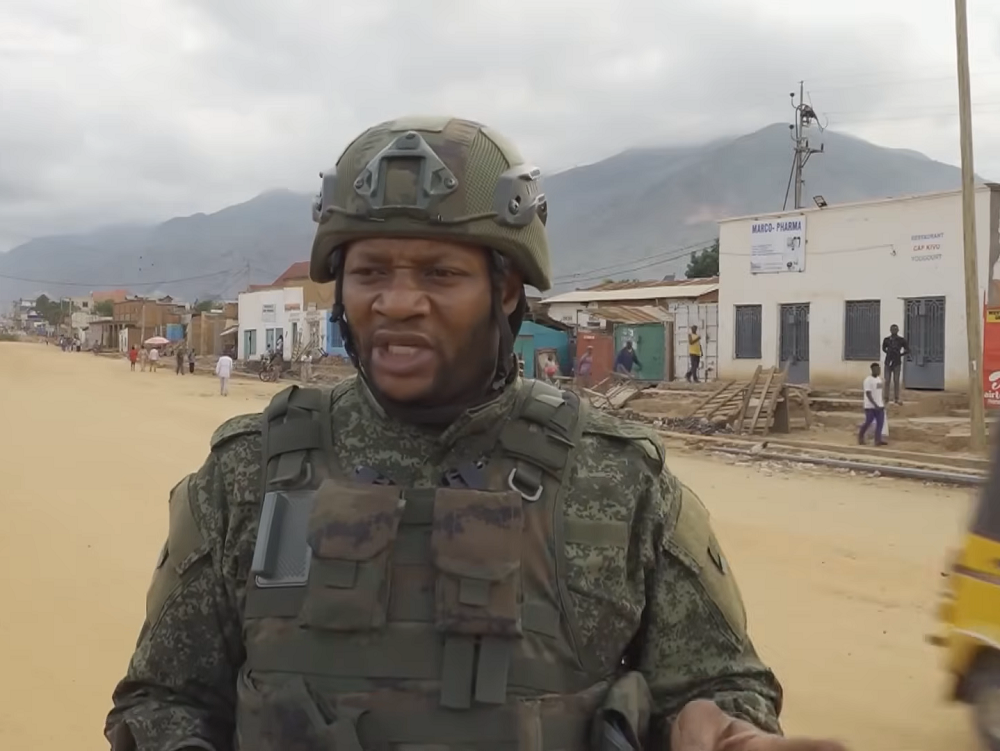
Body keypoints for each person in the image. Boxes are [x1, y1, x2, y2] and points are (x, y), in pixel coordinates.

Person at [106, 117, 846, 751]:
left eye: (439, 274)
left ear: (507, 289)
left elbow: (719, 686)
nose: (399, 302)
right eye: (371, 272)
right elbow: (164, 698)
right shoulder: (252, 473)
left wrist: (720, 727)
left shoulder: (615, 480)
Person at [859, 362, 887, 446]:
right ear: (872, 370)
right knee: (868, 422)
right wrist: (875, 404)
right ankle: (860, 436)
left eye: (879, 369)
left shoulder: (879, 379)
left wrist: (882, 402)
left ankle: (878, 440)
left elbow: (879, 392)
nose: (878, 371)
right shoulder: (868, 380)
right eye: (877, 369)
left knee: (880, 423)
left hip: (880, 405)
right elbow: (868, 394)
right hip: (870, 406)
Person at [881, 324, 909, 406]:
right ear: (890, 330)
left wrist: (900, 354)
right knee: (887, 380)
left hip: (897, 362)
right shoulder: (886, 340)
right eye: (892, 329)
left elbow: (908, 350)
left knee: (896, 380)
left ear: (898, 330)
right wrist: (888, 353)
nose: (894, 331)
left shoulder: (901, 340)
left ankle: (896, 398)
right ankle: (886, 398)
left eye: (895, 329)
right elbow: (883, 348)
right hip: (888, 362)